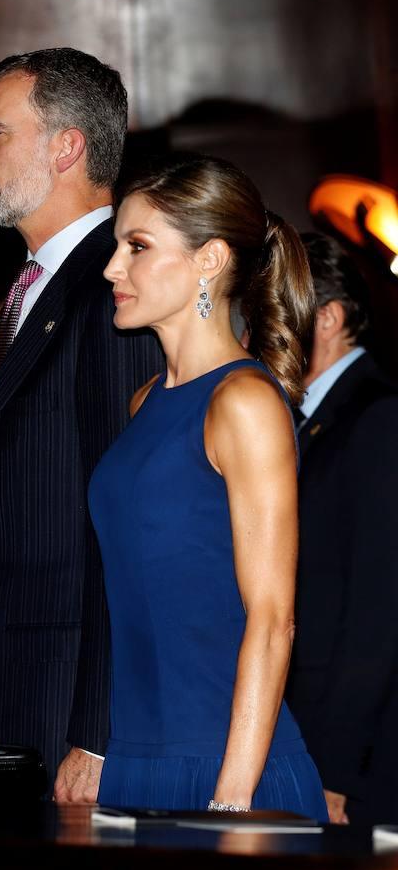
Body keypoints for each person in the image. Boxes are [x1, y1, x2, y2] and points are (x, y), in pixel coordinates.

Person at [0, 48, 162, 798]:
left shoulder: (116, 286)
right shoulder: (30, 286)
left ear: (66, 146)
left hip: (58, 701)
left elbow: (124, 527)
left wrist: (97, 734)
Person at [90, 154, 328, 817]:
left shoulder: (244, 402)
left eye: (137, 247)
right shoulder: (145, 402)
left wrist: (230, 802)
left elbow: (273, 619)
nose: (113, 267)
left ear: (210, 259)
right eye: (117, 246)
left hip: (226, 773)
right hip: (134, 766)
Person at [285, 233, 398, 825]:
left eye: (279, 308)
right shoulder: (307, 420)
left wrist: (333, 767)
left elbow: (377, 615)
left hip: (353, 762)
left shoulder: (379, 417)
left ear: (326, 318)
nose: (262, 327)